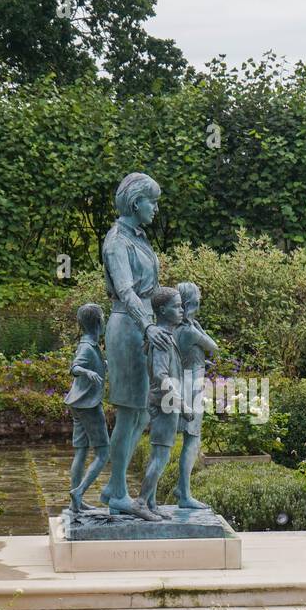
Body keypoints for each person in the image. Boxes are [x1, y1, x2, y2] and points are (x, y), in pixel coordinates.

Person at [99, 172, 175, 521]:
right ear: (135, 204)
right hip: (128, 327)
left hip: (145, 326)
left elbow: (149, 289)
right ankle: (119, 493)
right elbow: (126, 290)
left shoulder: (139, 239)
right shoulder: (117, 241)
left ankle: (115, 489)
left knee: (143, 412)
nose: (156, 208)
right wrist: (146, 324)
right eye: (152, 201)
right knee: (129, 412)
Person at [139, 287, 187, 514]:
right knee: (160, 457)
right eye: (177, 306)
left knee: (159, 455)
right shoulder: (162, 339)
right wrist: (181, 403)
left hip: (165, 402)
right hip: (164, 403)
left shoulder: (165, 336)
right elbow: (160, 374)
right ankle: (141, 503)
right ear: (162, 310)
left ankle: (150, 503)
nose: (182, 310)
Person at [175, 281, 217, 509]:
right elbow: (214, 346)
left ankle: (182, 488)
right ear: (193, 301)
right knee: (192, 440)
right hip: (191, 386)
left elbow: (188, 356)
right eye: (199, 294)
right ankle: (185, 493)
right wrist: (199, 328)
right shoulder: (190, 330)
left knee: (189, 439)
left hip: (183, 380)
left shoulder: (175, 328)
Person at [64, 303, 108, 512]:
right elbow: (75, 367)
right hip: (88, 405)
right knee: (103, 453)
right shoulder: (87, 347)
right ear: (99, 322)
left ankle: (76, 503)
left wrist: (103, 365)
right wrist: (87, 372)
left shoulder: (90, 344)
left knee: (81, 451)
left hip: (77, 403)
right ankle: (79, 492)